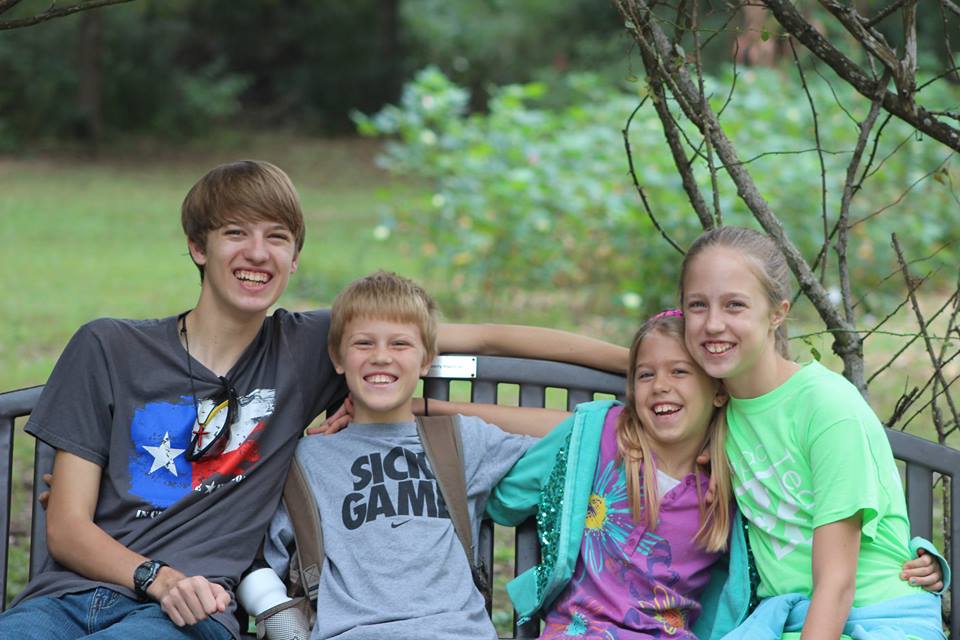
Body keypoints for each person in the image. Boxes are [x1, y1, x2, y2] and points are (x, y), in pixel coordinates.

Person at [0, 160, 628, 640]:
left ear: (295, 258)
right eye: (236, 233)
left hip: (191, 613)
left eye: (277, 237)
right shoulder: (109, 347)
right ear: (198, 247)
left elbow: (483, 338)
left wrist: (636, 364)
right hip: (68, 599)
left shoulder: (308, 345)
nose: (258, 253)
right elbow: (67, 526)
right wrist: (156, 577)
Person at [678, 226, 947, 639]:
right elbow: (638, 382)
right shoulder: (715, 407)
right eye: (698, 305)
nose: (713, 323)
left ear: (777, 313)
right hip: (789, 619)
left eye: (735, 305)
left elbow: (836, 584)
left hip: (876, 618)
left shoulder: (826, 407)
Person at [245, 271, 536, 640]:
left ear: (427, 360)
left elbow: (583, 429)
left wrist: (432, 406)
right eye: (364, 343)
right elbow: (251, 560)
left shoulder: (459, 440)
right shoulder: (307, 461)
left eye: (400, 344)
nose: (381, 357)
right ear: (337, 357)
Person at [486, 310, 736, 639]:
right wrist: (437, 418)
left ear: (719, 391)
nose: (660, 386)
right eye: (645, 375)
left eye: (679, 371)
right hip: (578, 632)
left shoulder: (733, 475)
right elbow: (506, 499)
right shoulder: (597, 435)